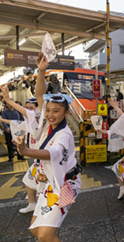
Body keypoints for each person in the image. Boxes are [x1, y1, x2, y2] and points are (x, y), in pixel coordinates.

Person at [13, 53, 81, 242]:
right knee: (35, 230)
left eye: (56, 111)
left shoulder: (64, 134)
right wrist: (41, 70)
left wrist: (26, 151)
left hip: (66, 184)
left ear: (66, 113)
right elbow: (40, 95)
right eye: (48, 110)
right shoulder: (46, 123)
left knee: (45, 235)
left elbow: (53, 152)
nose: (50, 114)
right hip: (50, 184)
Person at [0, 92, 41, 213]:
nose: (27, 111)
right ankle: (33, 204)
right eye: (26, 107)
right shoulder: (29, 123)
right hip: (37, 160)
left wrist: (9, 101)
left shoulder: (42, 121)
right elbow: (16, 123)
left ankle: (43, 210)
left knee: (44, 187)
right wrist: (2, 119)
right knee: (28, 180)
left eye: (30, 108)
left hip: (47, 161)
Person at [1, 98, 25, 162]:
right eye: (8, 103)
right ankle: (11, 157)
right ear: (6, 105)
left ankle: (20, 156)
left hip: (17, 130)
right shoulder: (4, 112)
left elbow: (22, 119)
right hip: (9, 131)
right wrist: (6, 127)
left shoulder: (17, 111)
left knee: (19, 142)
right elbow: (3, 121)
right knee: (9, 144)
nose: (10, 104)